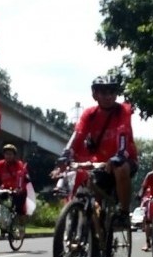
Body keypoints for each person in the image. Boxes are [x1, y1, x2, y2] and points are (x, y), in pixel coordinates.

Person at [58, 75, 138, 224]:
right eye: (103, 92)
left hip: (125, 158)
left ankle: (124, 213)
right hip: (100, 163)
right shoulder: (89, 114)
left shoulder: (123, 110)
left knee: (120, 168)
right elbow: (78, 134)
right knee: (86, 183)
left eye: (112, 92)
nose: (108, 96)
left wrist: (119, 155)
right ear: (95, 95)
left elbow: (123, 132)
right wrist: (66, 153)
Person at [0, 143, 30, 225]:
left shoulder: (19, 164)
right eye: (6, 154)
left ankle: (21, 227)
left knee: (20, 210)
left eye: (10, 154)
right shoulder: (0, 164)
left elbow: (20, 176)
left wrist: (18, 188)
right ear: (4, 154)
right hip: (5, 188)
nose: (8, 156)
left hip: (19, 190)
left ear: (14, 155)